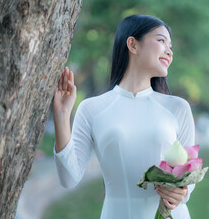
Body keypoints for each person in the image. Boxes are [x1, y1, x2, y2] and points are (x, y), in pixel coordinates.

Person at [53, 14, 196, 218]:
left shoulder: (178, 108)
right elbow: (68, 179)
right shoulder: (92, 108)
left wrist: (181, 193)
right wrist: (61, 115)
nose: (169, 51)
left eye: (170, 45)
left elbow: (187, 181)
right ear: (133, 44)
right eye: (161, 40)